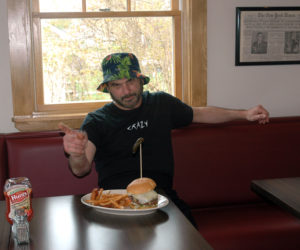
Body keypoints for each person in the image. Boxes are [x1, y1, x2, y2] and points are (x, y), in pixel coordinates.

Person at [60, 52, 269, 227]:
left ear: (141, 79)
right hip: (115, 204)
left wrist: (244, 114)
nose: (126, 91)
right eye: (117, 85)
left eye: (131, 81)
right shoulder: (97, 120)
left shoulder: (161, 103)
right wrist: (76, 153)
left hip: (162, 200)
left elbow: (200, 114)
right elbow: (81, 169)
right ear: (108, 88)